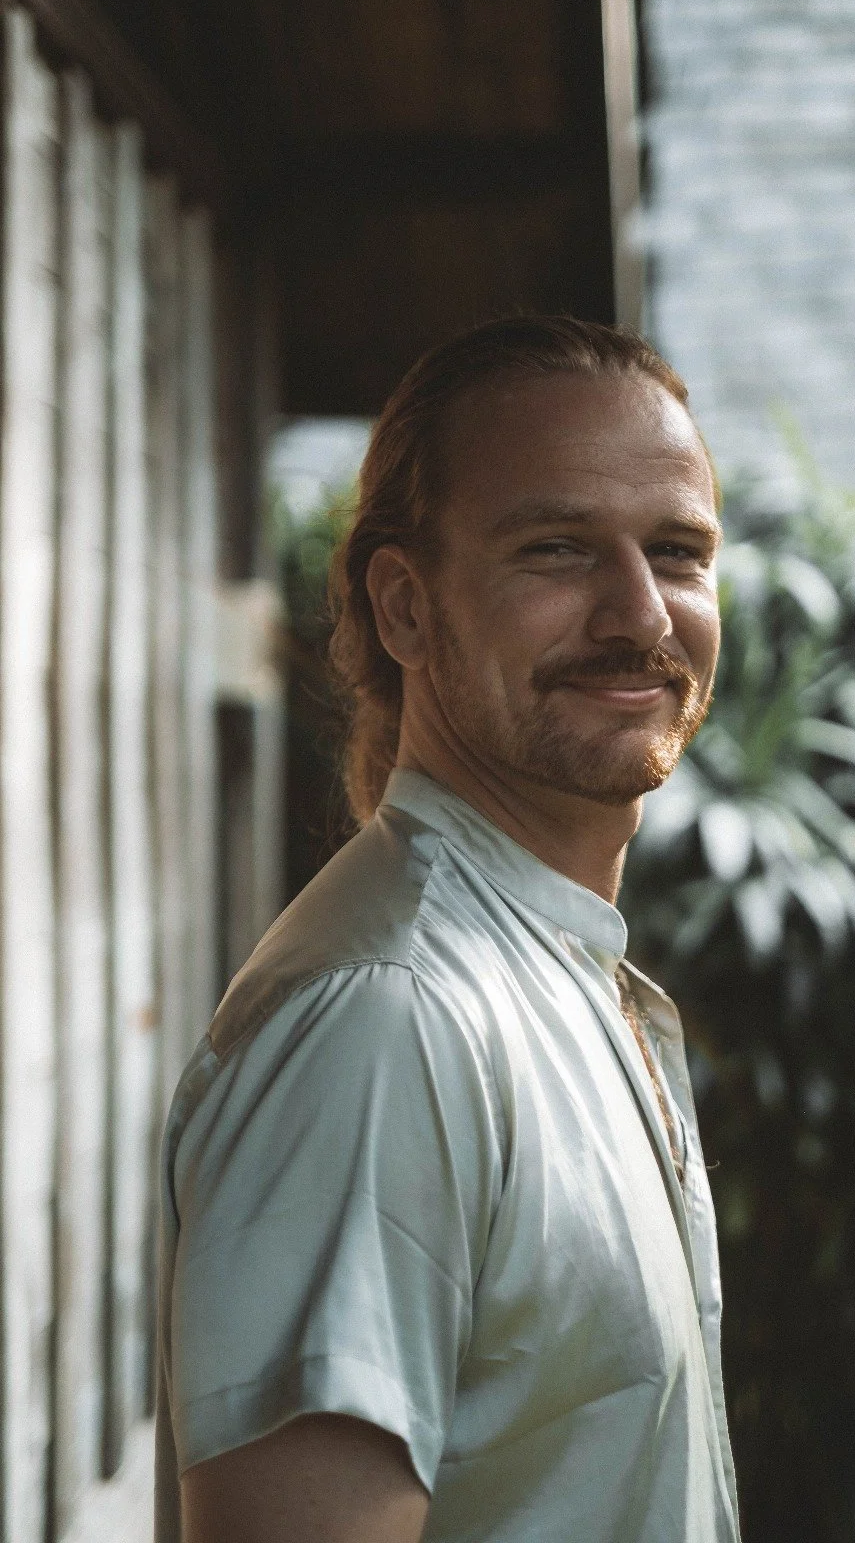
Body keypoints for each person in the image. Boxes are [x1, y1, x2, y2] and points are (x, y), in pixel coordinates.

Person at [155, 316, 741, 1543]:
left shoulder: (555, 975)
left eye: (678, 552)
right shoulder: (389, 1017)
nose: (639, 615)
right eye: (556, 549)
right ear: (406, 608)